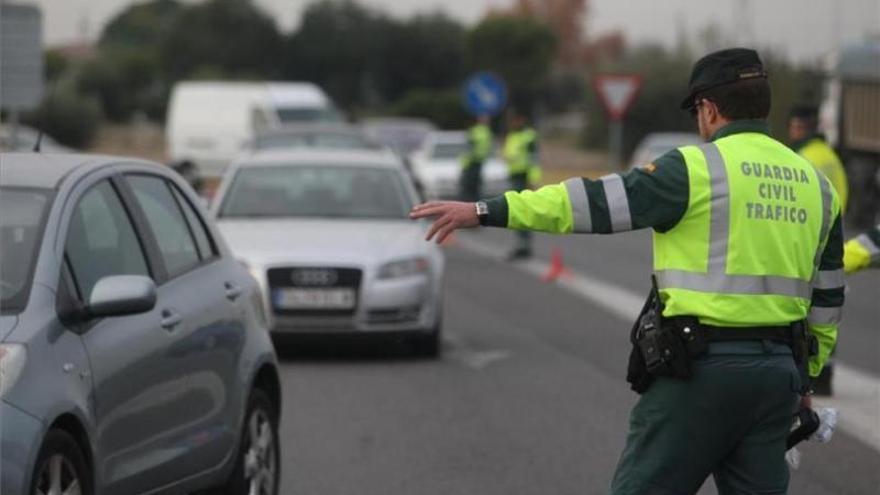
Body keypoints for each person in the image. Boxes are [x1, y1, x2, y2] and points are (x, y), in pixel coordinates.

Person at [410, 48, 844, 495]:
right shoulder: (818, 186)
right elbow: (828, 300)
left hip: (701, 373)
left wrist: (485, 209)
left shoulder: (695, 170)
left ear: (709, 110)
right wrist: (805, 376)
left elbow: (589, 203)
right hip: (777, 379)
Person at [789, 104, 849, 212]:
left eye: (797, 127)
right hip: (836, 215)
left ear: (807, 130)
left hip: (817, 218)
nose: (792, 132)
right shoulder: (830, 153)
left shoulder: (802, 157)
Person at [502, 110, 542, 259]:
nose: (512, 123)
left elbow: (534, 160)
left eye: (515, 120)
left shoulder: (529, 136)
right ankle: (520, 245)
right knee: (516, 212)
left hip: (524, 177)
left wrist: (532, 180)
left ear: (521, 119)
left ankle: (524, 246)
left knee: (522, 212)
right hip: (514, 176)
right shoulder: (513, 135)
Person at [459, 115, 493, 202]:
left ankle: (469, 202)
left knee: (470, 186)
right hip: (474, 161)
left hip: (474, 161)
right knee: (473, 185)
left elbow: (469, 145)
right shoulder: (484, 131)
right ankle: (472, 202)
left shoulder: (476, 131)